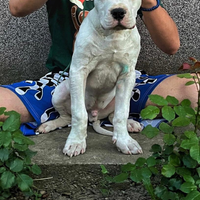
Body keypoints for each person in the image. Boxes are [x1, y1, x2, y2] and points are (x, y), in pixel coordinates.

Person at [1, 0, 197, 135]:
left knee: (195, 90)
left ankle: (117, 115)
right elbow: (17, 7)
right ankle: (67, 115)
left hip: (122, 82)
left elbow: (171, 45)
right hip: (64, 81)